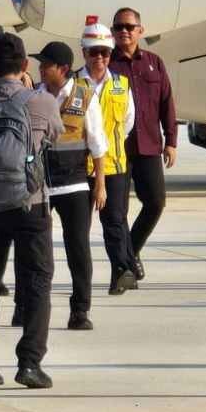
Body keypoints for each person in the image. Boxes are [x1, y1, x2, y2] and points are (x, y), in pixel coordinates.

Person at [0, 33, 63, 388]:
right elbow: (56, 135)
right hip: (29, 202)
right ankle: (30, 363)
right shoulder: (42, 101)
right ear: (25, 66)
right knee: (36, 281)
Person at [32, 41, 107, 330]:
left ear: (63, 69)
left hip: (75, 186)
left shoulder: (85, 97)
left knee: (78, 248)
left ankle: (80, 310)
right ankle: (25, 305)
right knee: (35, 249)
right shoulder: (34, 96)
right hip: (40, 185)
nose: (41, 67)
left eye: (46, 64)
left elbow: (98, 145)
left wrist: (100, 185)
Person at [109, 7, 176, 281]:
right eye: (118, 27)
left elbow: (166, 103)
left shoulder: (154, 62)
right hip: (118, 149)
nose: (124, 31)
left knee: (156, 203)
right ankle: (124, 269)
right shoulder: (107, 65)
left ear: (140, 30)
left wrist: (171, 141)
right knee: (118, 211)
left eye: (129, 26)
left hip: (149, 145)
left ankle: (130, 252)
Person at [76, 23, 137, 297]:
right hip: (78, 166)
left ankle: (120, 272)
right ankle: (82, 280)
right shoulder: (73, 84)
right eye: (93, 53)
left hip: (113, 165)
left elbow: (127, 123)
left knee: (114, 221)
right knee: (79, 227)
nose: (99, 58)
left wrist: (108, 148)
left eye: (104, 52)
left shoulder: (121, 84)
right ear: (84, 53)